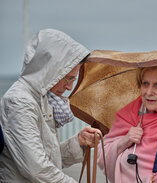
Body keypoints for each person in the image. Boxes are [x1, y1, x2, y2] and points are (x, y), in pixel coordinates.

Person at [0, 29, 101, 182]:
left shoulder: (42, 98)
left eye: (73, 79)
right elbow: (37, 169)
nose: (69, 87)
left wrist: (78, 142)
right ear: (50, 71)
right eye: (68, 78)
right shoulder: (19, 102)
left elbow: (47, 158)